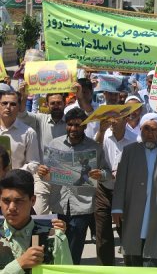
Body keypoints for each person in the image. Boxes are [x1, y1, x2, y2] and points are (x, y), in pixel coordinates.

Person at [39, 107, 109, 264]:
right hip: (59, 204)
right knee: (59, 247)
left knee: (74, 250)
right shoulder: (55, 144)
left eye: (78, 125)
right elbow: (47, 175)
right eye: (70, 124)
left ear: (84, 126)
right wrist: (42, 172)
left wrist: (101, 174)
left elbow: (107, 173)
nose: (73, 129)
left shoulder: (94, 147)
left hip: (82, 206)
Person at [111, 113, 157, 267]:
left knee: (153, 258)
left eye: (154, 130)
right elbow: (120, 182)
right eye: (146, 129)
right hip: (133, 209)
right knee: (132, 257)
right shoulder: (129, 151)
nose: (149, 133)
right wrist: (117, 208)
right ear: (140, 130)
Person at [0, 169, 72, 272]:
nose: (11, 207)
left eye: (18, 201)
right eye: (6, 201)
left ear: (32, 200)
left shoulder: (54, 239)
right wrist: (19, 265)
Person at [17, 87, 67, 215]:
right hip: (42, 176)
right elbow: (22, 114)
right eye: (53, 103)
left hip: (65, 177)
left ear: (64, 104)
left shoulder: (71, 123)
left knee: (62, 220)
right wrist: (23, 96)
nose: (56, 106)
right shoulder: (40, 119)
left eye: (59, 103)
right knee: (39, 218)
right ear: (47, 105)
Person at [95, 115, 136, 265]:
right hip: (104, 189)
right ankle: (106, 267)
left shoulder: (135, 139)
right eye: (109, 117)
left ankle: (130, 266)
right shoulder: (104, 134)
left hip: (125, 192)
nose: (111, 121)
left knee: (125, 232)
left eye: (115, 118)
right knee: (103, 232)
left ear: (125, 120)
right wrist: (100, 131)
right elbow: (93, 151)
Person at [0, 91, 40, 171]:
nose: (8, 107)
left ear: (19, 108)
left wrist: (16, 175)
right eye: (4, 103)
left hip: (14, 181)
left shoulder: (29, 132)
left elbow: (33, 163)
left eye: (13, 104)